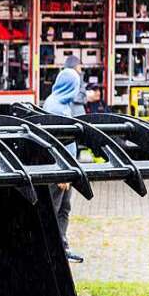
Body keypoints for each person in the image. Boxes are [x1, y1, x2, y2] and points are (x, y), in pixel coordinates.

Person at [42, 64, 84, 264]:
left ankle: (61, 245)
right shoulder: (56, 107)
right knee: (55, 209)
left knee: (64, 207)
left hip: (67, 169)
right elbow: (56, 143)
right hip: (60, 170)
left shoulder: (60, 103)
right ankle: (52, 249)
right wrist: (62, 173)